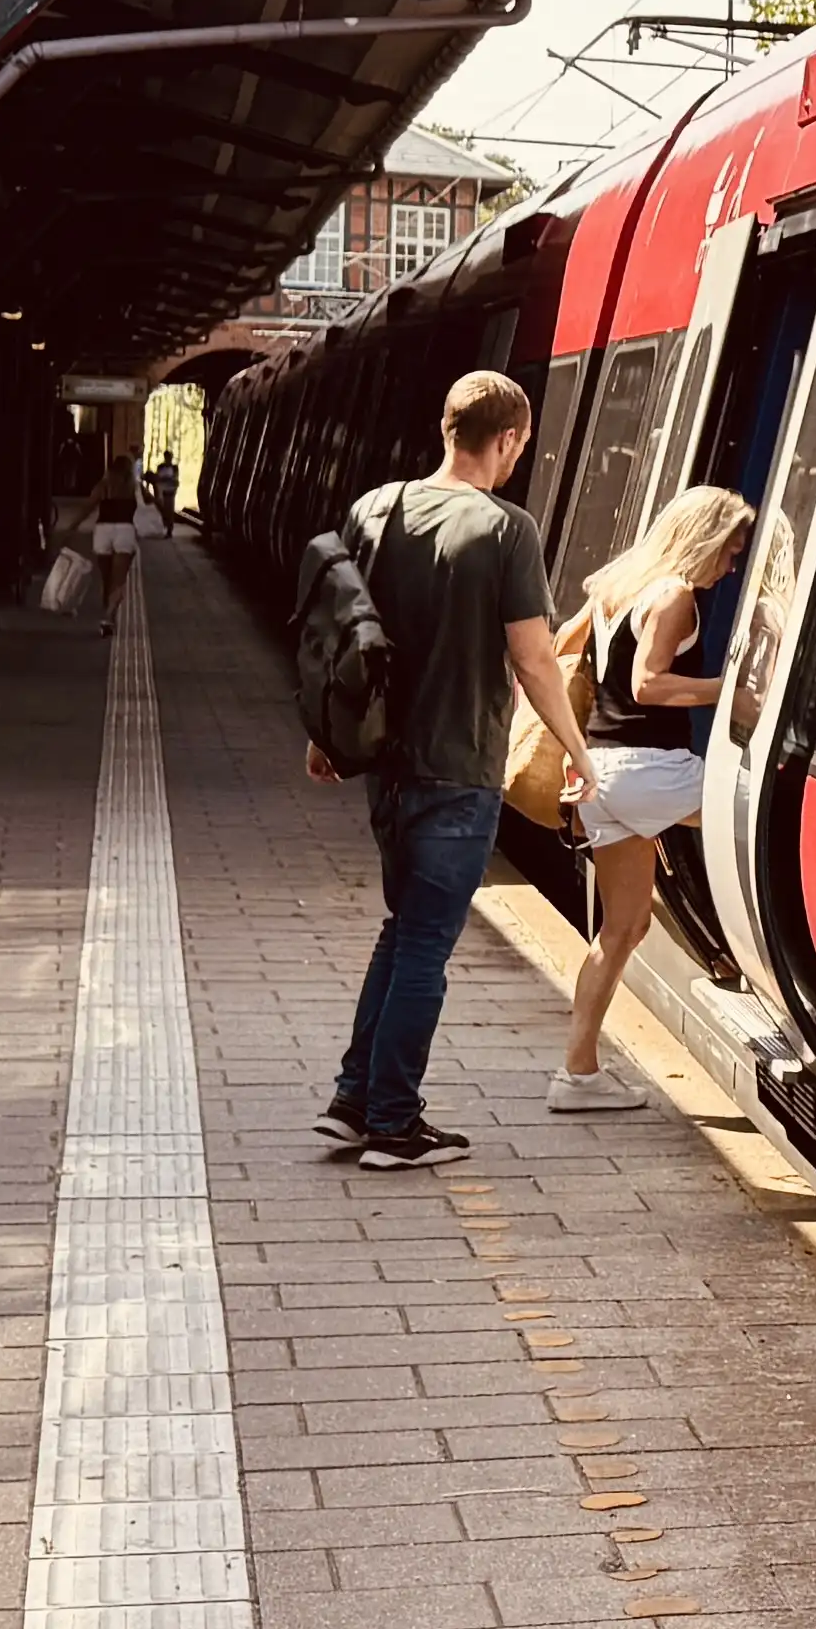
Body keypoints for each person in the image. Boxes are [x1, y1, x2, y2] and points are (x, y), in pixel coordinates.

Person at [309, 368, 588, 1173]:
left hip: (385, 766)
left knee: (403, 930)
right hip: (460, 767)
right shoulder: (507, 530)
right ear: (505, 441)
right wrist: (578, 750)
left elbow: (340, 638)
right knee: (427, 943)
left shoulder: (374, 509)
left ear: (444, 426)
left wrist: (323, 735)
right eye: (518, 449)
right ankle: (394, 1123)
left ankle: (354, 1100)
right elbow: (535, 661)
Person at [549, 483, 749, 1116]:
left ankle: (576, 1077)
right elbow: (647, 685)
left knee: (624, 927)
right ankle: (769, 982)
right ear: (704, 538)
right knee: (771, 825)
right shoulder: (676, 598)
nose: (733, 563)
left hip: (601, 776)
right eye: (731, 548)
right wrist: (732, 690)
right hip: (651, 770)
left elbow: (561, 648)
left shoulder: (616, 584)